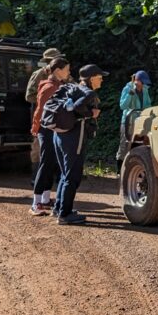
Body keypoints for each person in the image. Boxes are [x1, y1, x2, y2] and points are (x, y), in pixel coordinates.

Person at [52, 64, 106, 225]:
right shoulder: (88, 93)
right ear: (91, 78)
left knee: (64, 173)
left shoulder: (73, 87)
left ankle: (58, 208)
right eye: (100, 77)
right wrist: (92, 113)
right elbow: (77, 107)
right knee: (72, 176)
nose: (102, 80)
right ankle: (64, 214)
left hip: (59, 135)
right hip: (74, 138)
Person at [29, 57, 70, 216]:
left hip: (53, 129)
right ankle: (35, 203)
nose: (69, 72)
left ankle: (45, 199)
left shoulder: (59, 86)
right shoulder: (49, 88)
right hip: (46, 130)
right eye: (67, 69)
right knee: (45, 164)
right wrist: (35, 127)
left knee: (53, 164)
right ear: (58, 71)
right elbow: (40, 111)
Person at [116, 70, 153, 171]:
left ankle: (132, 168)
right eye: (143, 82)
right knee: (124, 145)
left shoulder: (145, 90)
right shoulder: (127, 88)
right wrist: (131, 93)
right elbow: (122, 106)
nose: (144, 85)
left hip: (140, 122)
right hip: (128, 121)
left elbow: (148, 105)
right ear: (137, 81)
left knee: (138, 145)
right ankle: (119, 170)